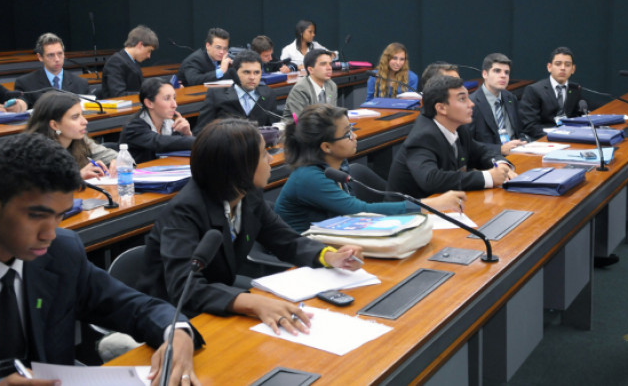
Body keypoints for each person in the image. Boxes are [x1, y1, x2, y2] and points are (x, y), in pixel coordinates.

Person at [0, 133, 201, 386]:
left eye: (60, 216)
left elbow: (134, 306)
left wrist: (176, 332)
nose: (50, 233)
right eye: (36, 216)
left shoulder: (61, 252)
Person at [137, 118, 363, 335]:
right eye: (263, 154)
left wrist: (330, 256)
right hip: (170, 318)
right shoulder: (184, 211)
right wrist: (252, 303)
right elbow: (184, 288)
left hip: (218, 301)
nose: (270, 160)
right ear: (238, 167)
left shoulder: (248, 196)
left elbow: (286, 240)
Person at [274, 104, 465, 233]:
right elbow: (359, 211)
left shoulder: (340, 166)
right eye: (347, 133)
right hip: (301, 261)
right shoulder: (308, 177)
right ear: (326, 147)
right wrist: (433, 205)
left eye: (352, 129)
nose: (354, 136)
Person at [388, 75, 516, 199]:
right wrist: (487, 177)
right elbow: (430, 179)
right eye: (462, 99)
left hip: (447, 205)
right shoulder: (423, 136)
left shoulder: (459, 128)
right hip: (411, 214)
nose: (471, 104)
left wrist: (501, 165)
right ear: (441, 108)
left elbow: (481, 152)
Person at [25, 91, 117, 180]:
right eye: (75, 117)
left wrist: (118, 162)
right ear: (55, 125)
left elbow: (113, 156)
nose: (85, 121)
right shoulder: (35, 150)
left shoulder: (79, 139)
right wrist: (77, 177)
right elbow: (40, 188)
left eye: (82, 115)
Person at [194, 50, 279, 133]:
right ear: (234, 73)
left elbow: (273, 129)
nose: (252, 77)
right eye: (247, 72)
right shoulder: (216, 94)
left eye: (257, 72)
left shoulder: (268, 94)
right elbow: (200, 131)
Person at [119, 78, 195, 163]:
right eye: (167, 99)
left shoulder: (169, 123)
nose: (174, 105)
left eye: (174, 98)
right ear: (149, 103)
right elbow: (160, 142)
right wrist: (198, 141)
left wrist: (187, 134)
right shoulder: (134, 127)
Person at [465, 53, 527, 155]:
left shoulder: (510, 98)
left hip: (517, 154)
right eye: (497, 71)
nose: (503, 76)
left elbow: (519, 131)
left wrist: (523, 142)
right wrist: (500, 149)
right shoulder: (472, 103)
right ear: (485, 74)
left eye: (506, 72)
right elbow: (469, 144)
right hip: (489, 160)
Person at [519, 46, 583, 138]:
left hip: (570, 136)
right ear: (549, 67)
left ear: (573, 69)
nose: (563, 68)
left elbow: (577, 116)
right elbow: (529, 126)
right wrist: (556, 134)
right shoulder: (534, 90)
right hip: (544, 138)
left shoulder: (575, 88)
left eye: (567, 65)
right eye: (558, 64)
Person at [14, 33, 91, 107]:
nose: (57, 59)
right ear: (40, 57)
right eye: (51, 55)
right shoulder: (25, 84)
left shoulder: (81, 84)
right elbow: (21, 106)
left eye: (60, 53)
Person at [101, 25, 159, 98]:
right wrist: (146, 95)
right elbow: (118, 95)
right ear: (140, 45)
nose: (149, 56)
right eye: (149, 51)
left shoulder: (132, 61)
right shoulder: (115, 62)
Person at [284, 48, 336, 120]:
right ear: (310, 70)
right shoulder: (300, 89)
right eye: (323, 64)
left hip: (324, 127)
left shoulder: (331, 85)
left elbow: (332, 115)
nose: (329, 68)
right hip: (296, 129)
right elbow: (302, 123)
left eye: (330, 64)